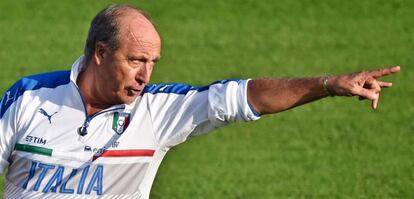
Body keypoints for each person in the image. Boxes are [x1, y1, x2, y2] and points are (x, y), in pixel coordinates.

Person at [0, 4, 400, 199]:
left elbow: (241, 98)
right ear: (101, 53)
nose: (145, 75)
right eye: (136, 60)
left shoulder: (157, 111)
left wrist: (327, 84)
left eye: (153, 63)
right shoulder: (28, 97)